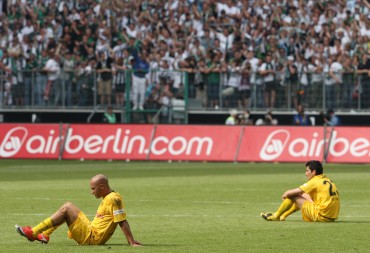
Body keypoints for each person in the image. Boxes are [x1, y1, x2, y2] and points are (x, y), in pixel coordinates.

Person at [15, 174, 141, 246]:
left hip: (92, 238)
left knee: (67, 208)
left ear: (102, 186)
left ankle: (34, 232)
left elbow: (122, 221)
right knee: (68, 210)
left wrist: (131, 242)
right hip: (91, 231)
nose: (92, 192)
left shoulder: (113, 199)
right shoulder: (110, 197)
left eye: (93, 189)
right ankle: (44, 235)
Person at [260, 160, 340, 222]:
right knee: (304, 195)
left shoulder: (314, 181)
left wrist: (286, 195)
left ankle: (276, 216)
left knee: (293, 195)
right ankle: (283, 215)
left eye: (307, 171)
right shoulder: (327, 180)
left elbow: (290, 193)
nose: (305, 174)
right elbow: (304, 196)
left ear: (314, 172)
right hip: (331, 217)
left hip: (321, 216)